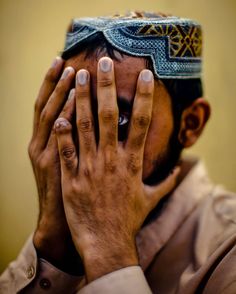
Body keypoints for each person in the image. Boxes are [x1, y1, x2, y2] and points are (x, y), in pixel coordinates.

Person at [1, 11, 236, 294]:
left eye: (118, 120)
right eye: (73, 109)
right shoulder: (62, 228)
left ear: (190, 124)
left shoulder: (226, 250)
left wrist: (111, 256)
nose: (84, 145)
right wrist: (52, 248)